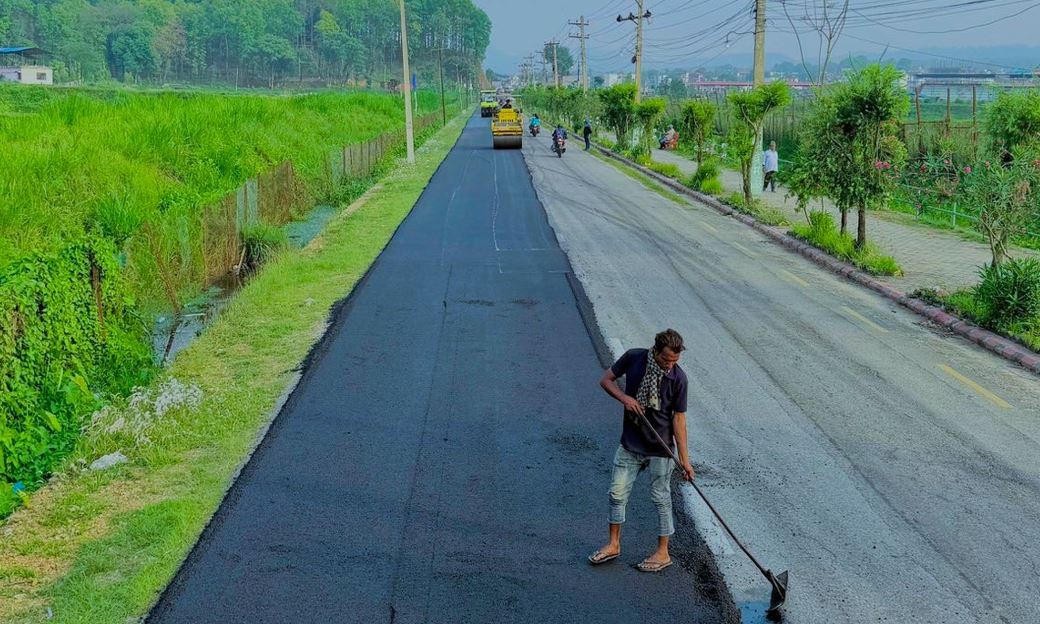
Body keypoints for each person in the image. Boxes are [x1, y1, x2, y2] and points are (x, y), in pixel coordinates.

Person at [588, 329, 694, 573]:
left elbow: (679, 422)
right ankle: (613, 544)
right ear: (655, 350)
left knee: (661, 499)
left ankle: (663, 552)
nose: (670, 365)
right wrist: (625, 398)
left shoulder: (679, 379)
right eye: (666, 359)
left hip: (661, 448)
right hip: (631, 443)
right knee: (616, 494)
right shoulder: (634, 358)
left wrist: (685, 462)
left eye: (675, 361)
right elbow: (606, 380)